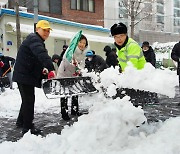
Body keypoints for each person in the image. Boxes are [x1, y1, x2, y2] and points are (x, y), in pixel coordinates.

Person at [12, 20, 56, 135]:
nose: (46, 33)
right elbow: (41, 54)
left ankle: (21, 122)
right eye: (44, 30)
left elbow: (36, 59)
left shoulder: (36, 40)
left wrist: (43, 72)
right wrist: (51, 68)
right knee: (29, 101)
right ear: (37, 29)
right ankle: (27, 128)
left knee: (26, 101)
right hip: (24, 76)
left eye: (48, 31)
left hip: (25, 75)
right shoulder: (34, 39)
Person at [57, 34, 88, 120]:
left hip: (74, 75)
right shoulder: (70, 50)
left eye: (84, 43)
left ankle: (75, 110)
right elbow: (66, 61)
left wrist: (80, 69)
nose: (82, 44)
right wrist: (72, 63)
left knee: (75, 92)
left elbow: (82, 64)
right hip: (64, 74)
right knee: (65, 94)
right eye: (80, 42)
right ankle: (64, 113)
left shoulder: (83, 53)